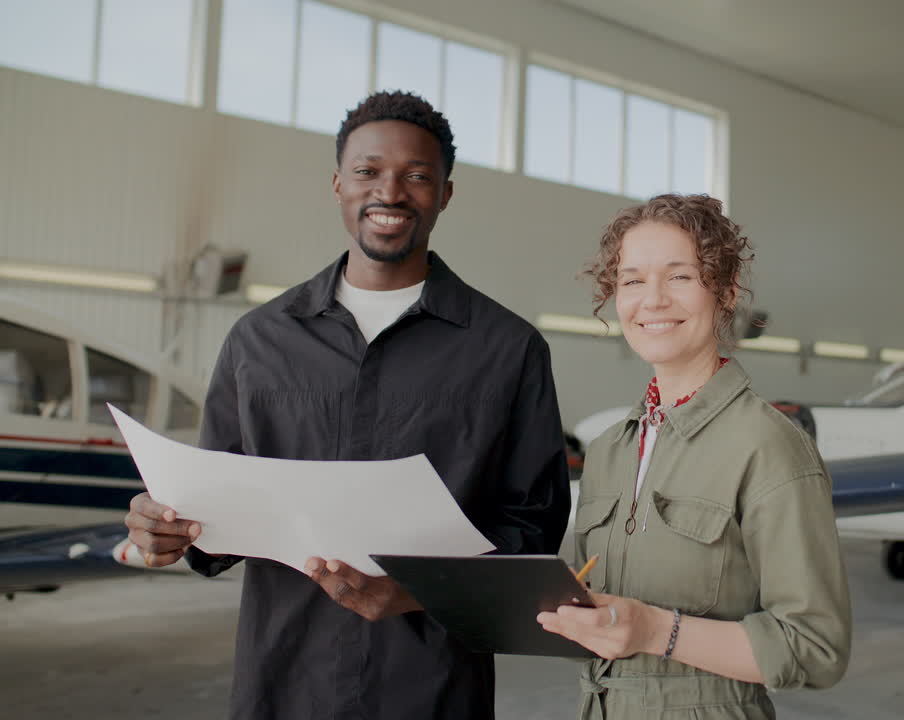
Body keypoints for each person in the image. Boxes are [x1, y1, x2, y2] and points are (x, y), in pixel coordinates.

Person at [124, 91, 570, 719]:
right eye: (367, 172)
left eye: (417, 176)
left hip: (434, 687)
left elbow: (533, 529)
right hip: (283, 678)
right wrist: (167, 526)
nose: (390, 192)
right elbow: (213, 517)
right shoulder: (258, 340)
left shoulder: (508, 349)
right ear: (338, 184)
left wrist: (415, 591)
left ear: (444, 194)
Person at [538, 194, 851, 719]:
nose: (652, 300)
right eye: (632, 280)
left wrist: (657, 630)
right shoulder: (612, 449)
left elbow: (816, 648)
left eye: (679, 277)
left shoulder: (767, 445)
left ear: (725, 292)